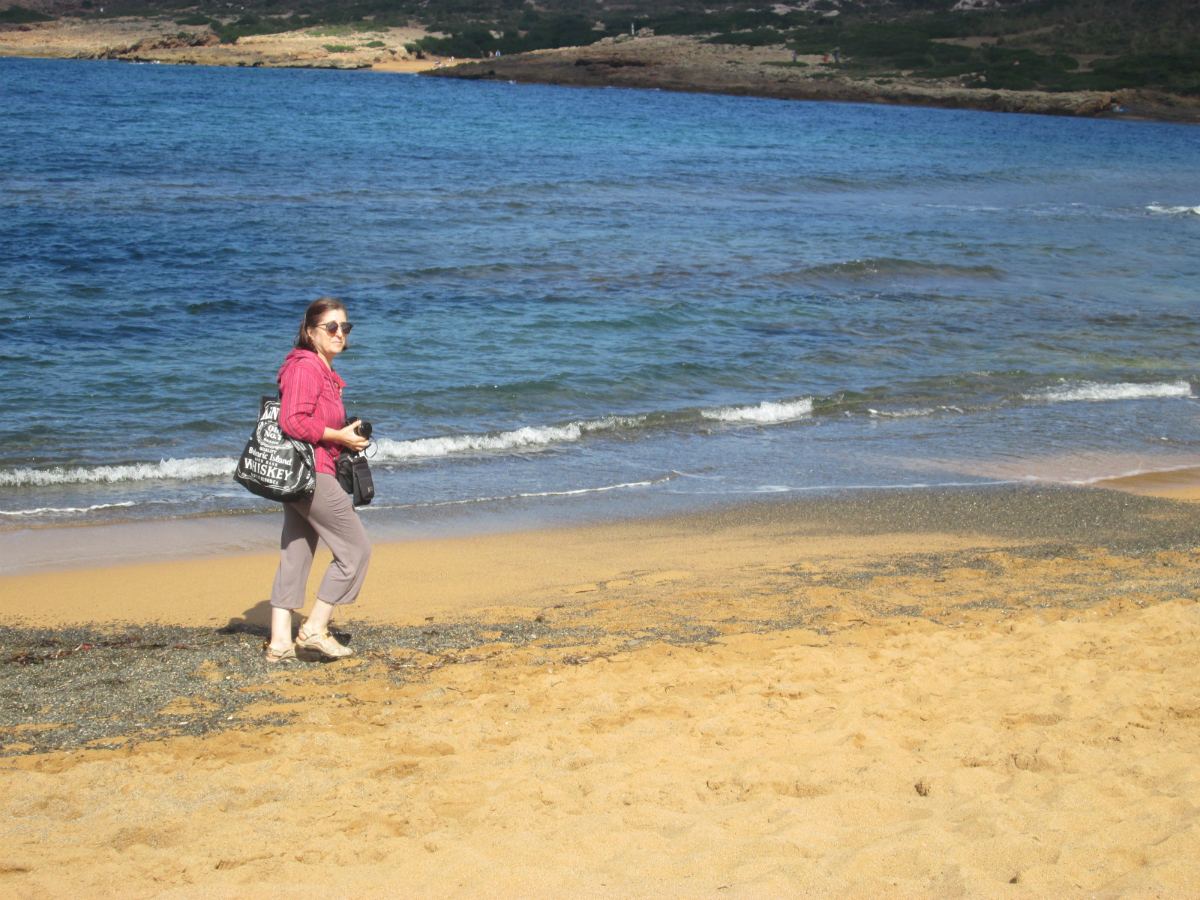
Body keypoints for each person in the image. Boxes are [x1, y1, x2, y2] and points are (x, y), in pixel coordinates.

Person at [264, 297, 371, 663]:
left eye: (345, 327)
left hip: (300, 474)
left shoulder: (321, 370)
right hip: (311, 474)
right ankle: (315, 628)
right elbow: (292, 421)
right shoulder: (306, 366)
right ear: (310, 332)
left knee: (296, 553)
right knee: (355, 550)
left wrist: (345, 436)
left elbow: (308, 419)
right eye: (331, 327)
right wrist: (339, 436)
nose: (340, 333)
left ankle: (280, 642)